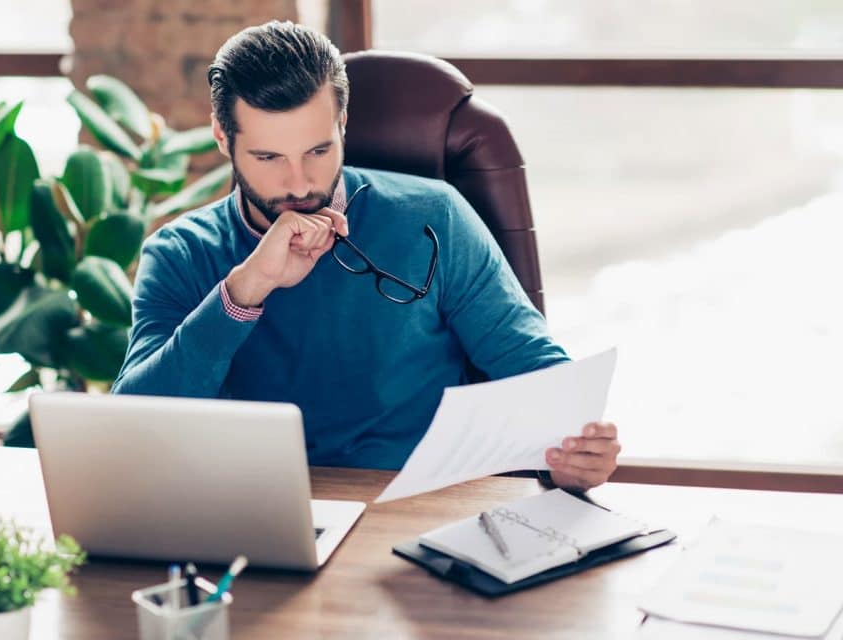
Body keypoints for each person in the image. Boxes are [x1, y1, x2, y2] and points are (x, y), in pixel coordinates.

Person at [112, 21, 620, 490]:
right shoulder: (179, 254)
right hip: (268, 511)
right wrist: (245, 290)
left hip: (417, 505)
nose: (299, 183)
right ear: (224, 138)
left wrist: (579, 449)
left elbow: (535, 369)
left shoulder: (435, 215)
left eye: (317, 150)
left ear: (343, 125)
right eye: (268, 158)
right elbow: (134, 431)